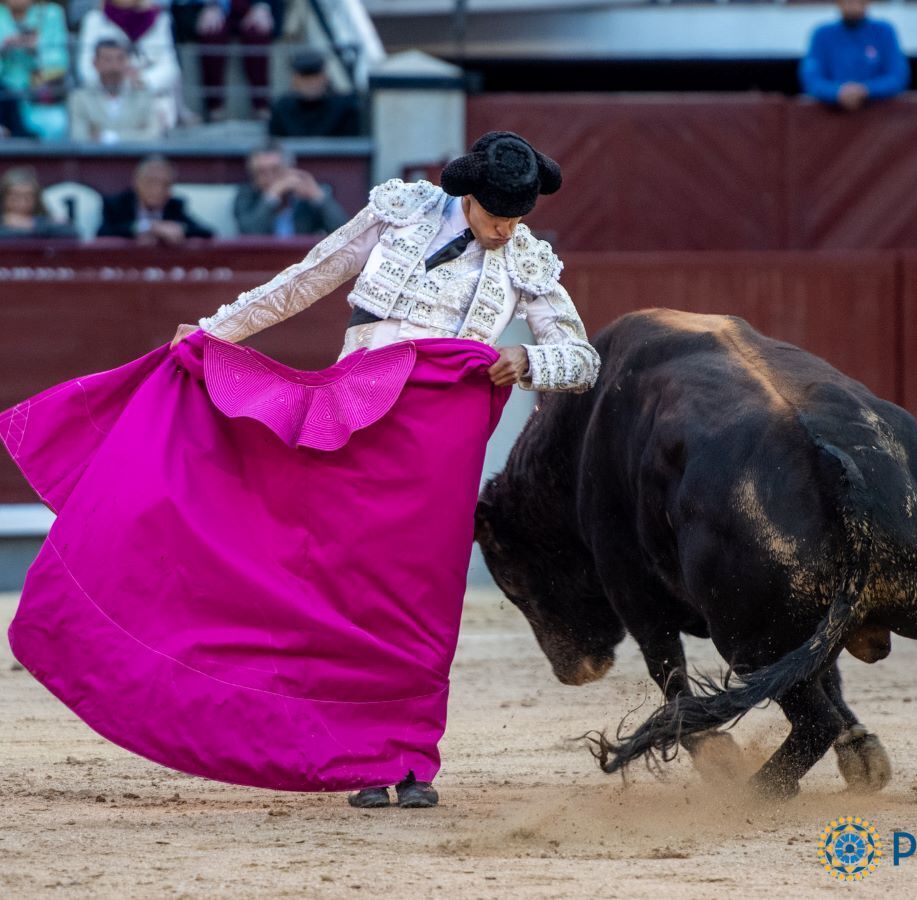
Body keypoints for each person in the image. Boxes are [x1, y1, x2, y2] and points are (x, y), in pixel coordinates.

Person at [170, 131, 600, 808]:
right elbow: (307, 279)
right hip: (356, 420)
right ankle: (355, 755)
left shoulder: (526, 260)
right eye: (497, 217)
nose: (505, 231)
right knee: (344, 588)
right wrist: (212, 332)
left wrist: (529, 362)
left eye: (518, 220)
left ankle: (409, 759)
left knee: (422, 597)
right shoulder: (402, 214)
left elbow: (582, 358)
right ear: (469, 197)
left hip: (439, 444)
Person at [0, 0, 70, 139]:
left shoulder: (52, 13)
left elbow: (60, 64)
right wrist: (1, 53)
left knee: (57, 123)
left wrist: (36, 51)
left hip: (36, 100)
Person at [77, 0, 181, 131]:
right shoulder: (95, 19)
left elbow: (170, 69)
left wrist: (142, 80)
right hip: (106, 93)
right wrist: (116, 80)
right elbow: (85, 69)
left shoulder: (160, 19)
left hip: (146, 94)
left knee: (159, 111)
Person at [170, 0, 280, 122]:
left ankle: (262, 106)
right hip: (208, 7)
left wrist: (261, 6)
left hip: (250, 5)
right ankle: (215, 107)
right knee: (212, 31)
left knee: (257, 30)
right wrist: (210, 5)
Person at [799, 0, 909, 112]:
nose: (852, 3)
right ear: (837, 2)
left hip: (879, 119)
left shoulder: (884, 31)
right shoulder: (821, 34)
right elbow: (811, 79)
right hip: (832, 118)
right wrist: (837, 92)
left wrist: (865, 90)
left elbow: (897, 77)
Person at [234, 142, 346, 237]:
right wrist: (271, 197)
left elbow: (343, 233)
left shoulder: (306, 196)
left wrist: (317, 196)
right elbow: (250, 233)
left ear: (290, 169)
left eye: (275, 170)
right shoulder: (245, 195)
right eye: (261, 172)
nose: (269, 178)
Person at [99, 154, 214, 242]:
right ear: (136, 182)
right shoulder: (116, 204)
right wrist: (147, 227)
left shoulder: (174, 206)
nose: (157, 190)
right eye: (151, 182)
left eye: (165, 184)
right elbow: (103, 234)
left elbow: (206, 232)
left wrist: (179, 229)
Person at [69, 38, 163, 142]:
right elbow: (79, 137)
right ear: (95, 63)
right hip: (96, 157)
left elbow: (153, 135)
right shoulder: (80, 98)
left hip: (135, 157)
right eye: (108, 60)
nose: (114, 66)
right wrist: (136, 133)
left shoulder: (143, 95)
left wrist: (109, 137)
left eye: (120, 59)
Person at [267, 48, 359, 138]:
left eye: (315, 76)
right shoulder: (282, 108)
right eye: (305, 76)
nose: (311, 82)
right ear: (294, 80)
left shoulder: (342, 107)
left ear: (325, 78)